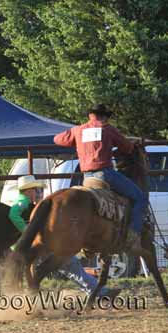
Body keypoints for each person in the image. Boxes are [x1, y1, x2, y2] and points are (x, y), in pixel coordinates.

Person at [53, 104, 148, 251]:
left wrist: (77, 139)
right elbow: (127, 148)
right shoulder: (107, 129)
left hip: (86, 177)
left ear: (90, 115)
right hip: (105, 174)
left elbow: (57, 139)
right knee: (140, 198)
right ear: (103, 116)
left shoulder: (78, 130)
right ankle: (132, 234)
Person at [9, 175, 120, 298]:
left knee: (72, 267)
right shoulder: (23, 202)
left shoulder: (29, 203)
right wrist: (27, 231)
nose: (38, 193)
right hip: (35, 243)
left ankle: (27, 298)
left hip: (32, 244)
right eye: (36, 190)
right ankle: (100, 292)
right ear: (29, 190)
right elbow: (13, 214)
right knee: (72, 266)